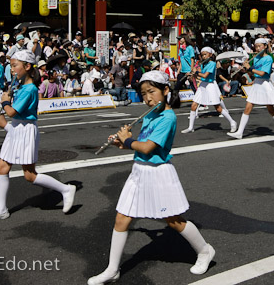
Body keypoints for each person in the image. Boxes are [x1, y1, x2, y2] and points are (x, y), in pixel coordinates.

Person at [87, 71, 214, 284]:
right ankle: (112, 269)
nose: (148, 98)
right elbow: (140, 147)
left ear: (165, 90)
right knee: (121, 218)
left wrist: (128, 141)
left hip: (158, 173)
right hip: (138, 171)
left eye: (152, 92)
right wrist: (122, 143)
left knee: (173, 221)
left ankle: (205, 250)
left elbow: (147, 148)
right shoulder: (151, 114)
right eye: (144, 93)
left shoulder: (168, 116)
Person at [0, 50, 76, 223]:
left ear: (28, 66)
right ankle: (1, 209)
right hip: (17, 128)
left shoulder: (30, 89)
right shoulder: (21, 86)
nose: (12, 69)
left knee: (29, 174)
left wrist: (4, 101)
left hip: (25, 129)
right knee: (2, 167)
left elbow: (12, 112)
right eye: (11, 65)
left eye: (15, 65)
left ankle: (66, 189)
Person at [227, 38, 274, 140]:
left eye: (260, 46)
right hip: (257, 84)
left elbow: (262, 73)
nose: (258, 48)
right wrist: (245, 68)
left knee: (270, 109)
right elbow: (253, 72)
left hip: (265, 84)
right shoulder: (256, 58)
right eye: (256, 46)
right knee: (248, 107)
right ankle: (240, 132)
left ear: (265, 46)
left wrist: (250, 68)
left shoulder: (268, 58)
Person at [182, 47, 237, 134]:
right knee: (194, 105)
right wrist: (192, 74)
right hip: (203, 85)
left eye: (205, 54)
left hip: (210, 86)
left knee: (218, 108)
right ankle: (190, 127)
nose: (203, 57)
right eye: (202, 55)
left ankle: (232, 122)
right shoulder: (203, 64)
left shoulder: (212, 64)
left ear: (210, 55)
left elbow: (205, 75)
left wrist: (196, 72)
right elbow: (200, 76)